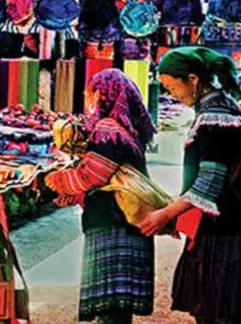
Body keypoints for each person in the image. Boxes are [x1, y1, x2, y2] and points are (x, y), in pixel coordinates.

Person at [142, 47, 241, 324]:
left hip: (222, 229)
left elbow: (209, 182)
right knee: (217, 310)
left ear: (193, 79)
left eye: (172, 87)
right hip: (222, 227)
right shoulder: (223, 108)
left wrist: (165, 214)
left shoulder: (216, 116)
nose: (171, 95)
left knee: (218, 313)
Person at [35, 69, 156, 324]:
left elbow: (91, 176)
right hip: (128, 223)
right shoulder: (128, 129)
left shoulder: (107, 129)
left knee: (111, 310)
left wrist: (51, 182)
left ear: (102, 94)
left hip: (113, 226)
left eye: (90, 89)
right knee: (118, 311)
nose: (85, 94)